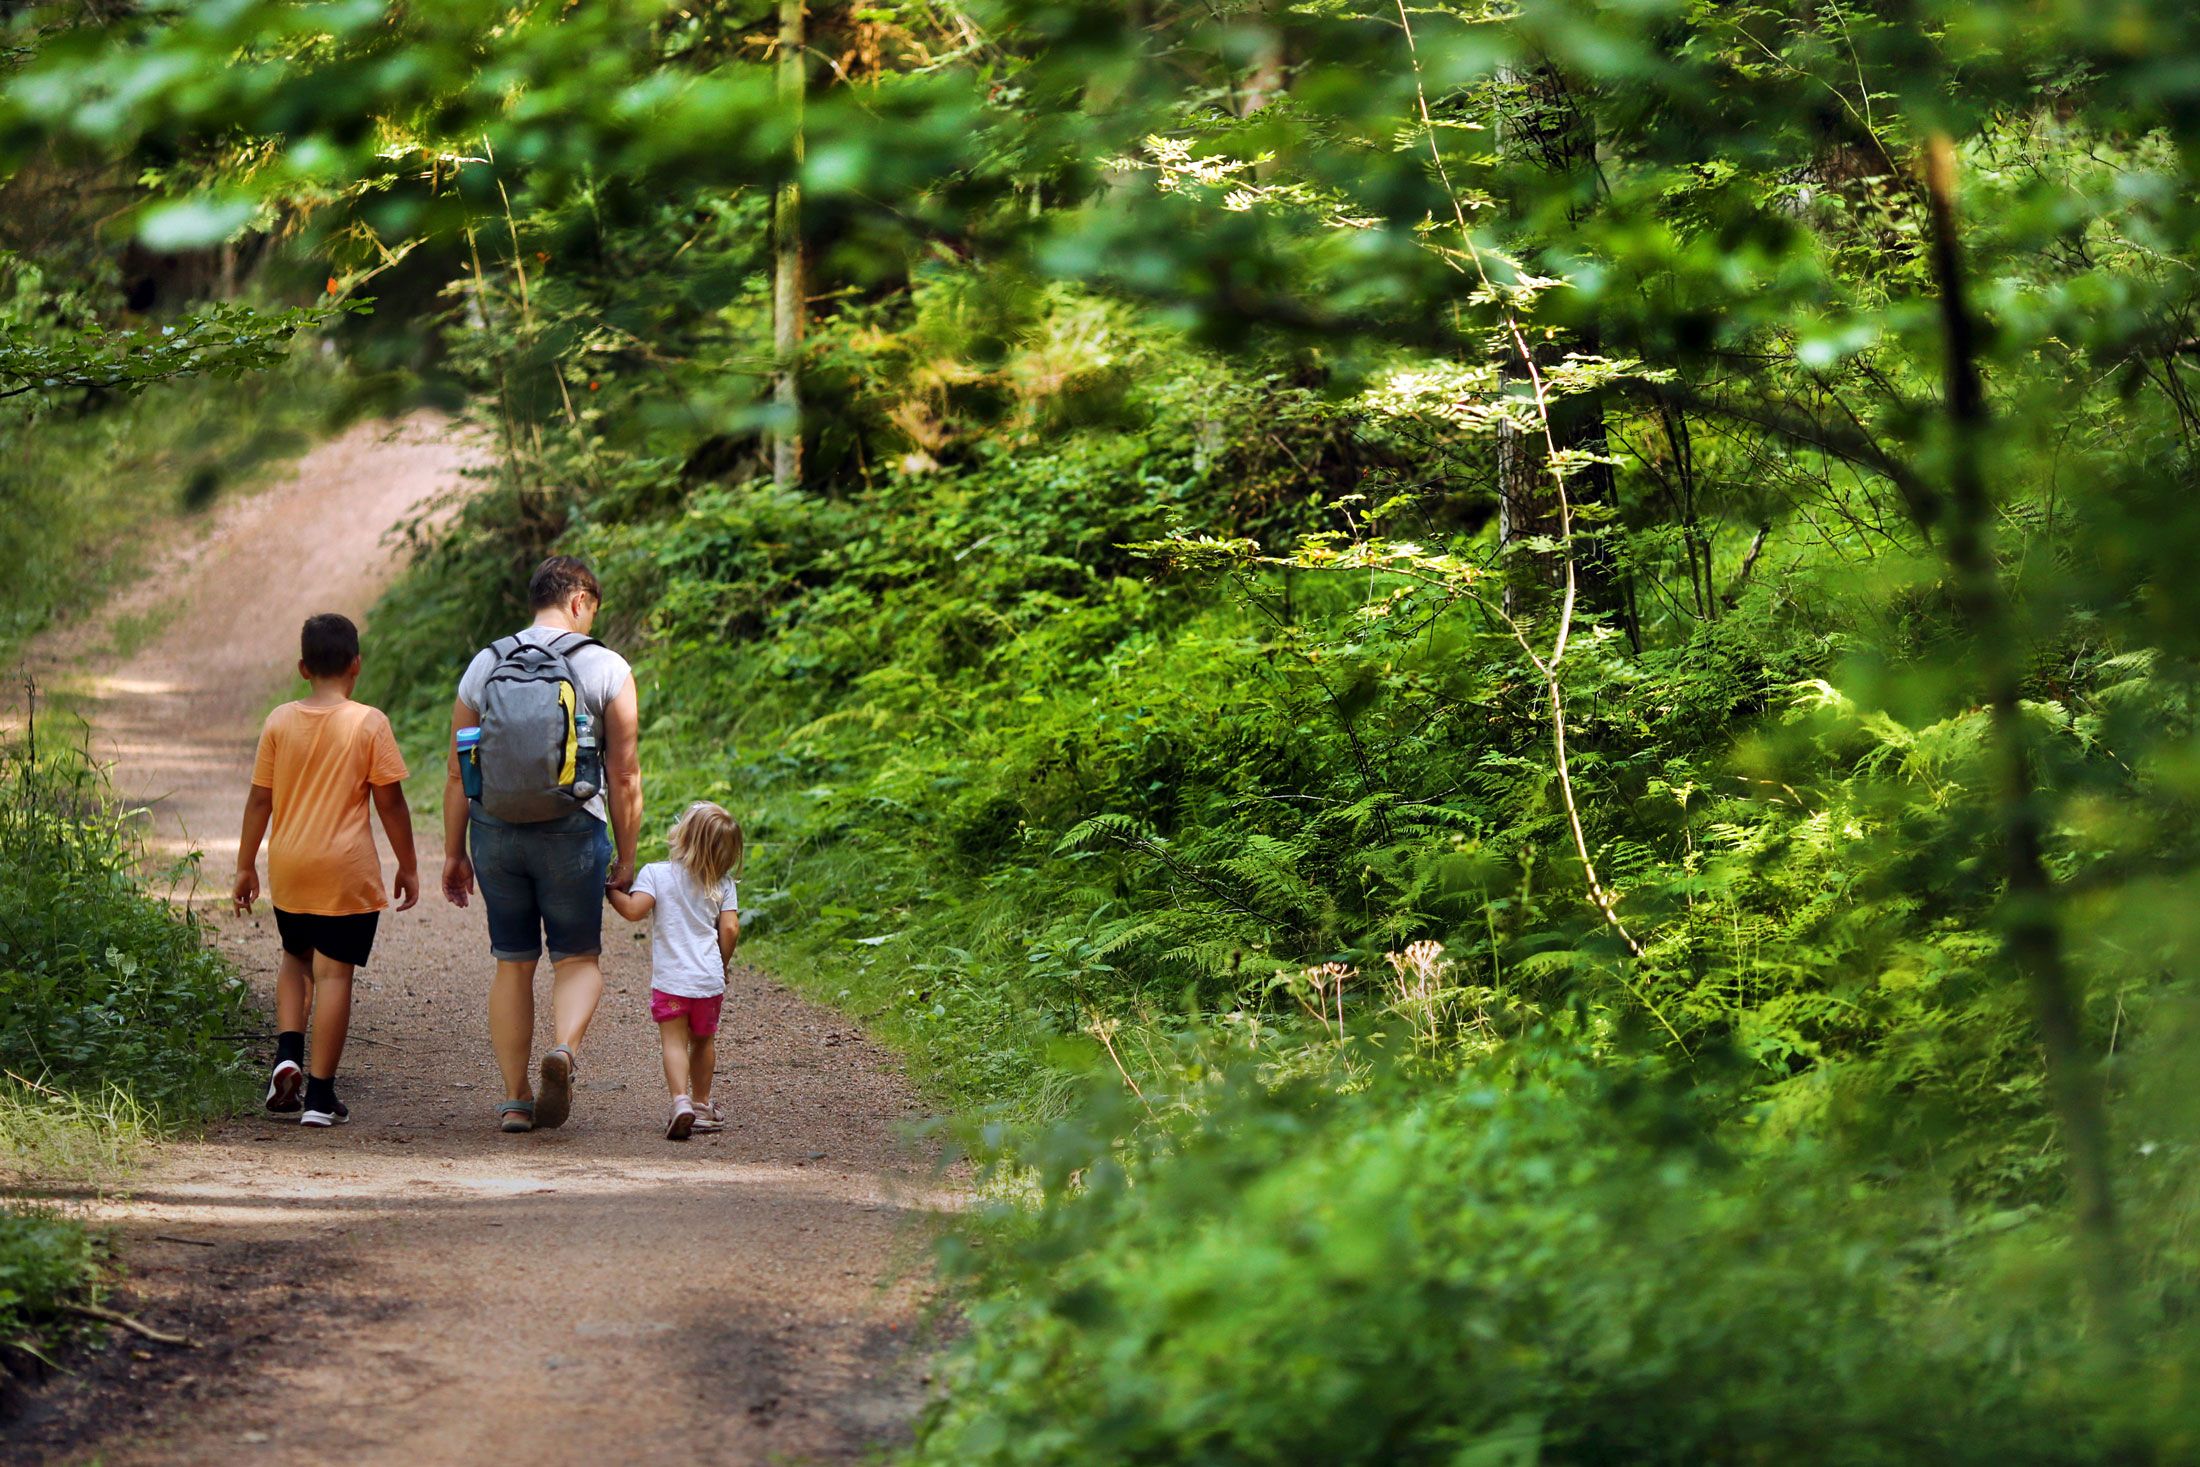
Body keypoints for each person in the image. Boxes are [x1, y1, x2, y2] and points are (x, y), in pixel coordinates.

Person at [442, 556, 642, 1133]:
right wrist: (625, 856)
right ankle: (565, 1051)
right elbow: (625, 774)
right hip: (572, 831)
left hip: (496, 833)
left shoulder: (486, 663)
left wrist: (455, 853)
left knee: (512, 962)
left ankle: (513, 1097)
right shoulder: (606, 666)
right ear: (579, 601)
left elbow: (459, 771)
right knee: (577, 957)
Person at [232, 613, 418, 1128]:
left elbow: (258, 801)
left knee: (295, 959)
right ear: (356, 665)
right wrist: (408, 864)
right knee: (334, 975)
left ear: (302, 668)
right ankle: (318, 1096)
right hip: (344, 873)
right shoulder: (369, 723)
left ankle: (286, 1055)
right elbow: (393, 805)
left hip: (290, 868)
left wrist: (246, 865)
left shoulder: (278, 721)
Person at [607, 802, 742, 1140]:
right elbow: (730, 929)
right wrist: (722, 965)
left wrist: (610, 891)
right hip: (708, 981)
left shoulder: (656, 873)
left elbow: (635, 911)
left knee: (674, 1042)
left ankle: (679, 1100)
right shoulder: (724, 885)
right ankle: (701, 1105)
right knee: (703, 1041)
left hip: (671, 982)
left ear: (683, 837)